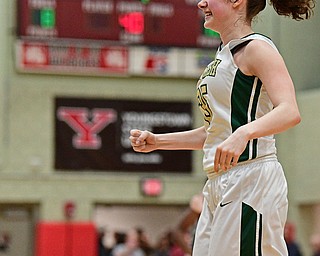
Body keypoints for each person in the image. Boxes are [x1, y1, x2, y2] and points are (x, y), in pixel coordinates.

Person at [129, 0, 315, 254]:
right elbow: (215, 131)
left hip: (251, 177)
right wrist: (158, 142)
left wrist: (244, 133)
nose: (200, 3)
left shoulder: (257, 48)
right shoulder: (222, 55)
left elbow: (290, 110)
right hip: (219, 181)